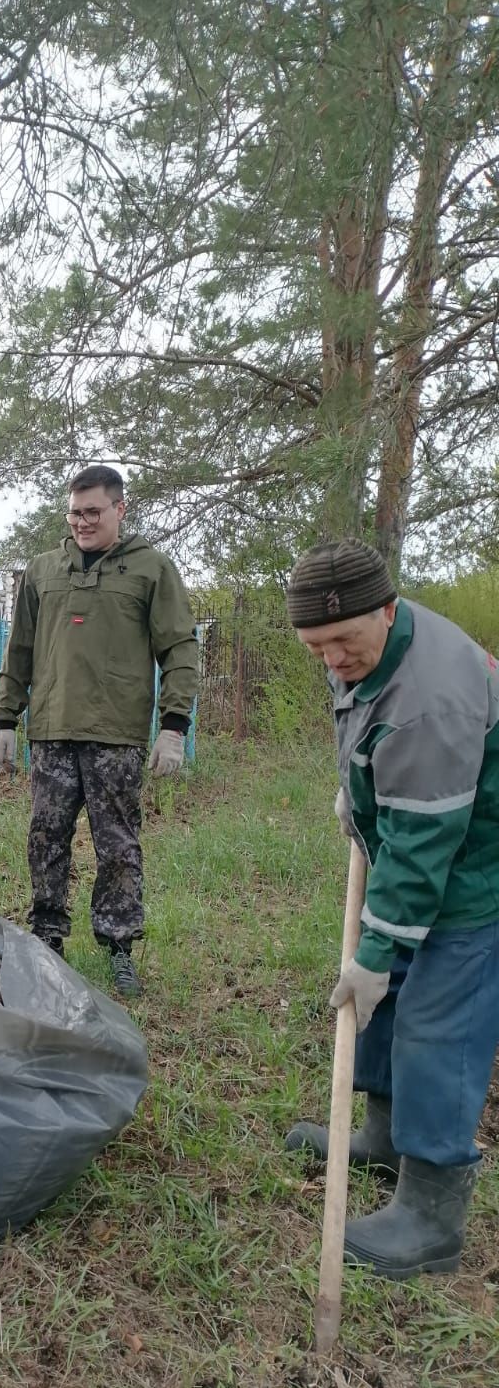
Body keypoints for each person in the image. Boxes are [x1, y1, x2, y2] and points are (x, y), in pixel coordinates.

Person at [283, 537, 499, 1279]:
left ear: (388, 608)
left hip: (479, 864)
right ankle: (380, 1133)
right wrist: (362, 786)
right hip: (429, 834)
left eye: (344, 641)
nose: (333, 659)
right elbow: (366, 725)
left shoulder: (432, 698)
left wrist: (378, 952)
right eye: (317, 647)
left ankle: (432, 1215)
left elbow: (422, 853)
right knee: (383, 994)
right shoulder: (368, 651)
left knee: (440, 1018)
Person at [0, 464, 199, 997]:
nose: (82, 522)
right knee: (46, 838)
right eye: (75, 512)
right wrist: (4, 719)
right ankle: (47, 940)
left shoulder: (150, 570)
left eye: (93, 512)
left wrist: (173, 726)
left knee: (118, 847)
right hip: (53, 731)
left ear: (119, 509)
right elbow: (19, 650)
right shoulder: (43, 570)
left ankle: (120, 945)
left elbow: (178, 648)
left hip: (116, 736)